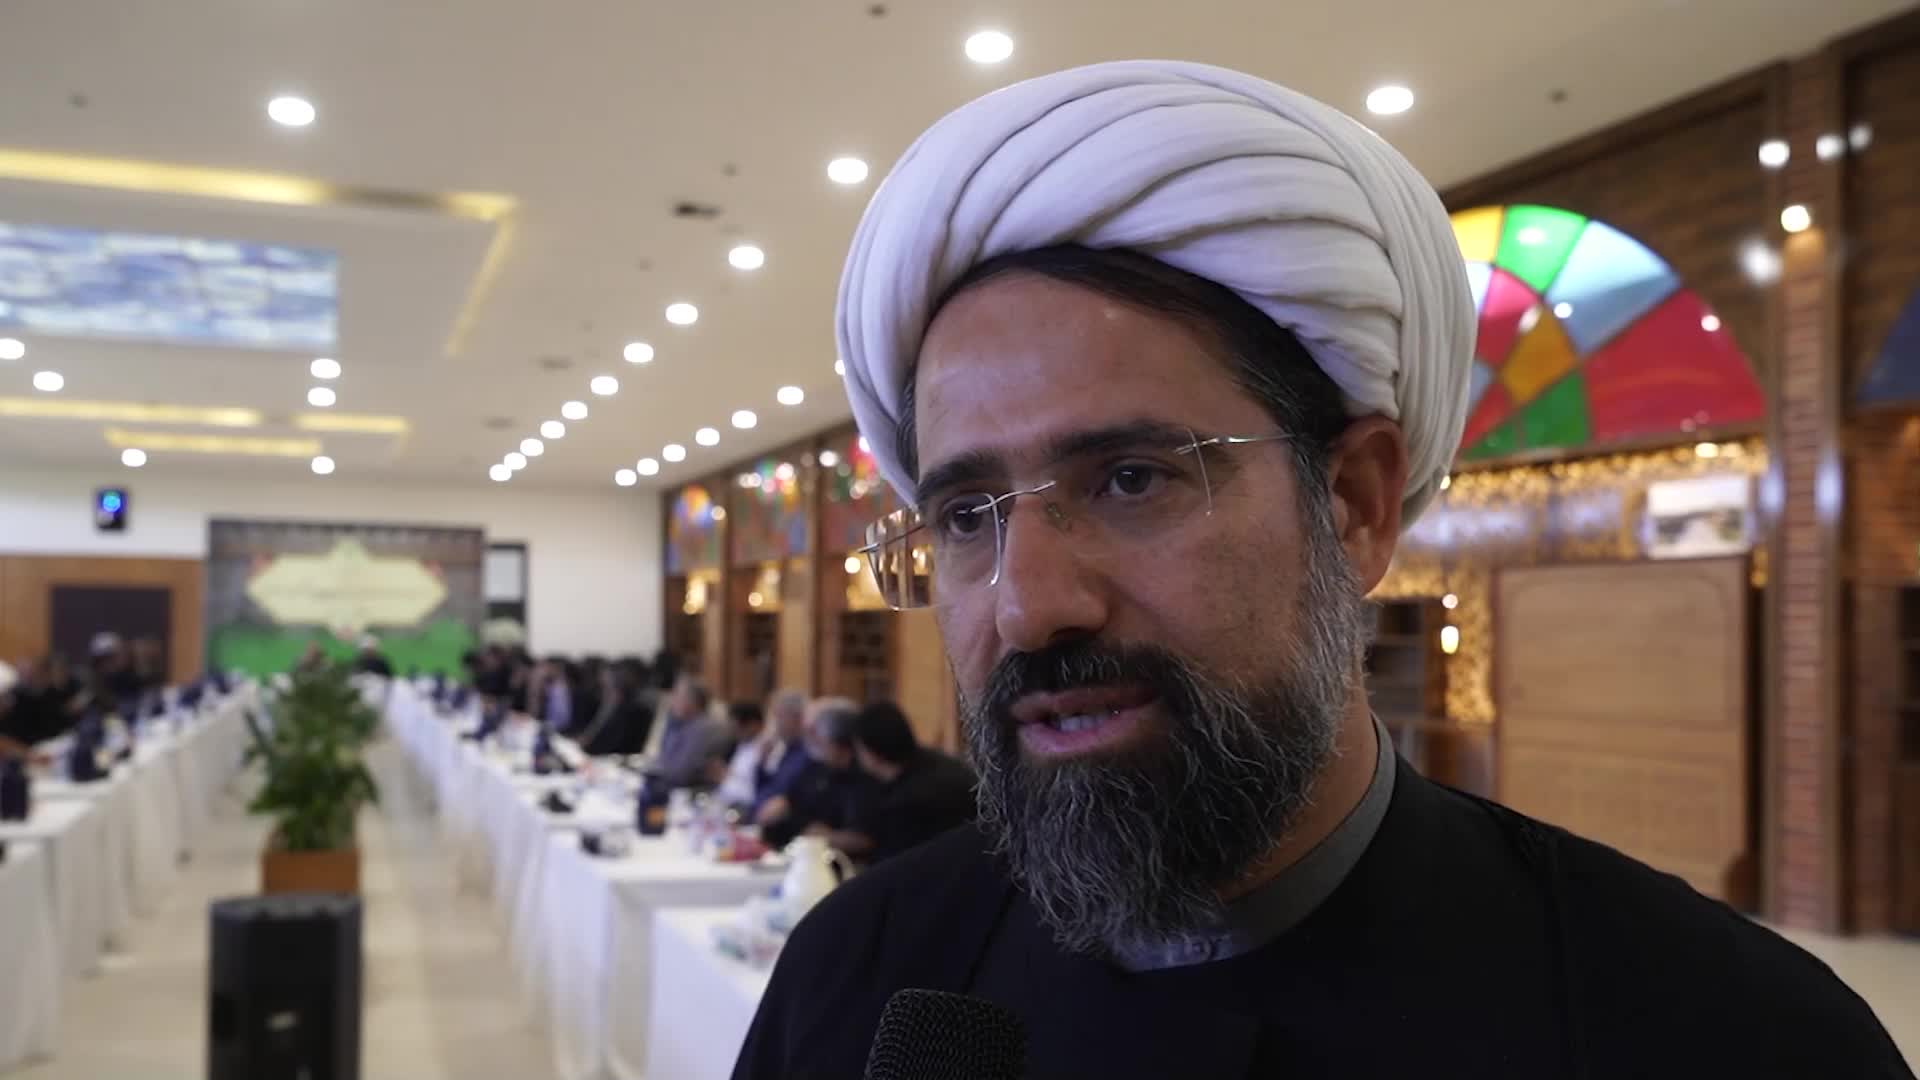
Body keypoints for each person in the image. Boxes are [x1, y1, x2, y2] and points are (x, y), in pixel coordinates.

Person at [733, 62, 1910, 1080]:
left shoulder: (1723, 1034)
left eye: (1132, 479)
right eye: (965, 516)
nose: (1031, 606)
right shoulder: (858, 971)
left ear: (1354, 502)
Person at [829, 701, 974, 864]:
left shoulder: (910, 802)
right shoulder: (936, 763)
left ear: (872, 753)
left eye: (859, 749)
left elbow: (896, 862)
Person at [755, 697, 867, 849]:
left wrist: (825, 836)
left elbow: (862, 838)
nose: (811, 739)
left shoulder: (862, 775)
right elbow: (794, 802)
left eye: (815, 733)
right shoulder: (821, 767)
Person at [648, 674, 729, 790]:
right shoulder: (684, 724)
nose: (672, 700)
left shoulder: (702, 728)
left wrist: (657, 770)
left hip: (690, 791)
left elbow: (679, 774)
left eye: (677, 696)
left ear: (692, 702)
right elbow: (663, 759)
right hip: (676, 788)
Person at [749, 689, 813, 816]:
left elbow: (787, 798)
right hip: (757, 814)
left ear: (797, 718)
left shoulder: (809, 753)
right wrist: (762, 762)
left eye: (778, 716)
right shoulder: (786, 748)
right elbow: (765, 789)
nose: (773, 724)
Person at [711, 699, 769, 803]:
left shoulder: (766, 749)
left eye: (736, 728)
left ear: (753, 725)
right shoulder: (742, 744)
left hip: (744, 804)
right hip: (724, 799)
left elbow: (752, 793)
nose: (733, 733)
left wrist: (723, 778)